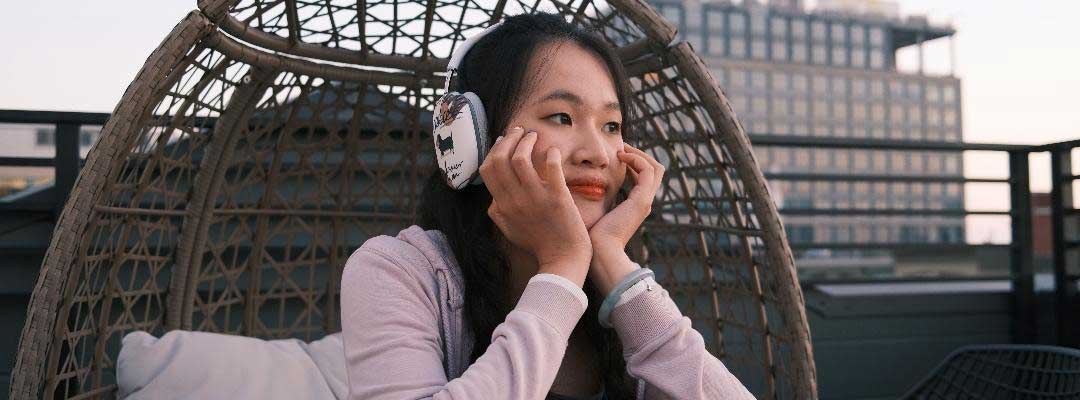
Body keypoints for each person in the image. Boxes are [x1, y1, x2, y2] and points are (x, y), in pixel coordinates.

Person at [340, 12, 755, 400]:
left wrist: (613, 263)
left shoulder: (621, 297)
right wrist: (562, 266)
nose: (598, 152)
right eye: (561, 117)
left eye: (611, 126)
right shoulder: (396, 270)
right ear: (474, 139)